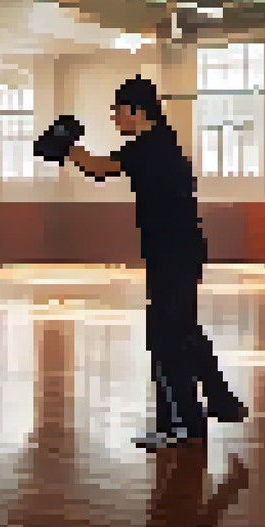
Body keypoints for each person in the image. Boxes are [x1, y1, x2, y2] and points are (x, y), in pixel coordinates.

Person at [59, 76, 249, 451]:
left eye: (118, 110)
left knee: (166, 339)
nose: (114, 117)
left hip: (172, 253)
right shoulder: (163, 141)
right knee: (181, 329)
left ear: (136, 111)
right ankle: (221, 401)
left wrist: (68, 147)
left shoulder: (149, 147)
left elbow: (100, 168)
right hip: (180, 251)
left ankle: (182, 425)